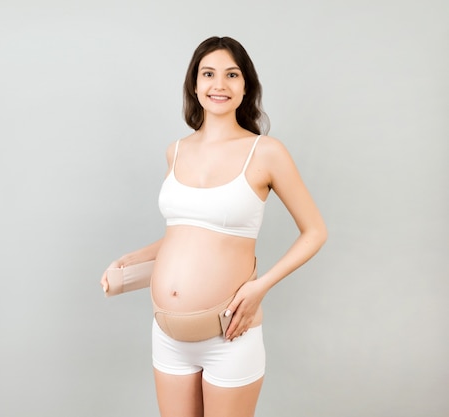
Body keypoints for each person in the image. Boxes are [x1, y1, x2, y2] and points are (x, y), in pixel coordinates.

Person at [100, 36, 327, 417]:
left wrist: (260, 287)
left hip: (230, 335)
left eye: (231, 75)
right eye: (208, 74)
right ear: (194, 83)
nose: (218, 85)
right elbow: (185, 234)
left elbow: (315, 231)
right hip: (167, 336)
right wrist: (132, 260)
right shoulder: (176, 151)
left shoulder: (266, 152)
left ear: (245, 87)